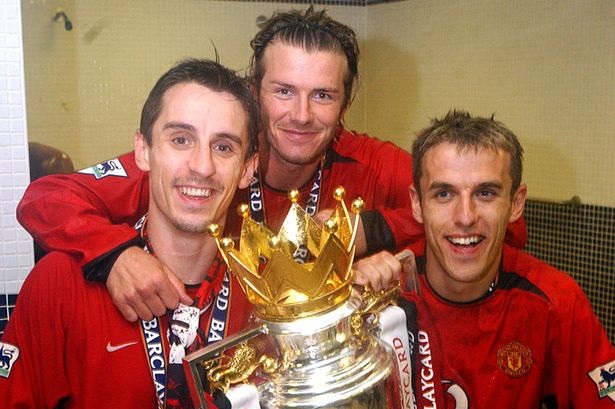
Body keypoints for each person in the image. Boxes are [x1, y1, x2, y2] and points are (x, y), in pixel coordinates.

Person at [16, 7, 527, 323]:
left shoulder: (372, 164)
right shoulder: (212, 162)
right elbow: (45, 198)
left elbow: (501, 227)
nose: (301, 116)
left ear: (345, 104)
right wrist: (114, 254)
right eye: (283, 91)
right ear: (254, 90)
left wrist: (376, 235)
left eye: (322, 95)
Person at [0, 59, 260, 408]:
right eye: (180, 140)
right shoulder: (60, 284)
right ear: (143, 151)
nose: (202, 166)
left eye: (223, 146)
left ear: (247, 169)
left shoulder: (265, 293)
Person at [358, 110, 615, 408]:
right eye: (444, 194)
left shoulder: (557, 302)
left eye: (486, 193)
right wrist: (347, 313)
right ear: (417, 204)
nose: (466, 217)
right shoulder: (381, 297)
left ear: (516, 203)